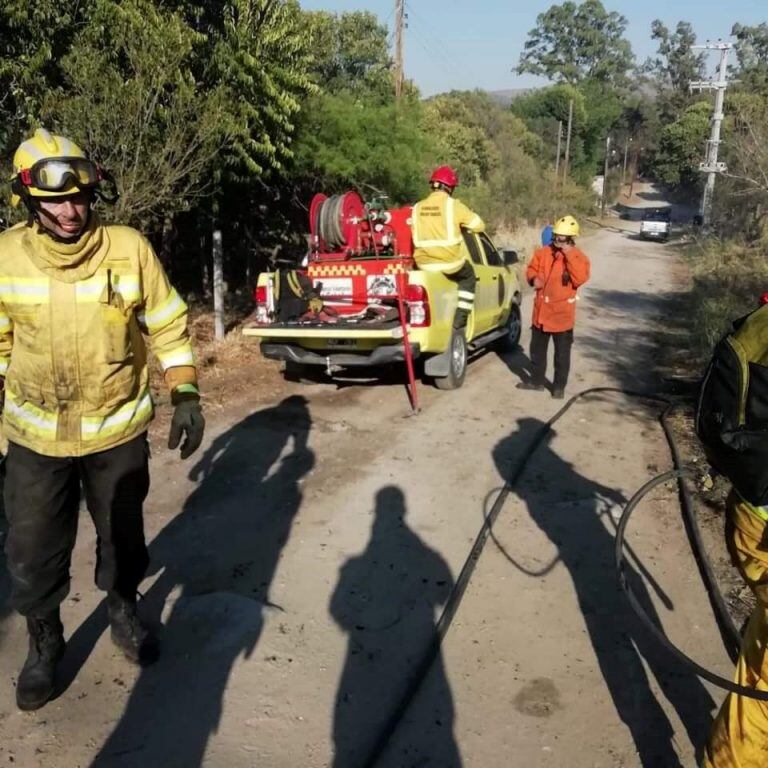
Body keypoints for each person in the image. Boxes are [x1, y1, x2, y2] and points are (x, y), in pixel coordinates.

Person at [1, 128, 205, 711]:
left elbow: (166, 322)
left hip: (116, 430)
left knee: (122, 539)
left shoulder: (128, 248)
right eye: (55, 201)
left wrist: (185, 389)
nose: (70, 211)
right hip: (36, 436)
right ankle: (45, 642)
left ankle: (122, 610)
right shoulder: (6, 257)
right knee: (31, 551)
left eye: (80, 197)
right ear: (29, 201)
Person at [517, 215, 590, 399]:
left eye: (562, 237)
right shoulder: (543, 253)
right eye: (556, 235)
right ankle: (536, 382)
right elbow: (531, 269)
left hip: (562, 317)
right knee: (537, 353)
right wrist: (533, 278)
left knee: (562, 356)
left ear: (571, 238)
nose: (558, 239)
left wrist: (568, 253)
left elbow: (580, 278)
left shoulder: (578, 258)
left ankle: (558, 388)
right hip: (541, 314)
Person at [411, 166, 485, 329]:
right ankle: (461, 318)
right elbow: (479, 225)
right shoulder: (454, 206)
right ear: (449, 188)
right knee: (469, 277)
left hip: (423, 263)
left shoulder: (417, 207)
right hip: (449, 262)